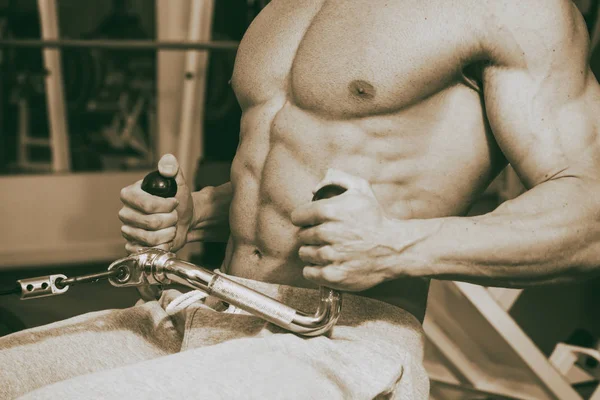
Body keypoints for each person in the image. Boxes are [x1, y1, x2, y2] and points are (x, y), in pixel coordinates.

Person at [3, 0, 600, 398]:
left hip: (335, 340)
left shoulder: (513, 10)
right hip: (201, 310)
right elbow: (299, 173)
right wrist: (196, 215)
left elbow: (589, 211)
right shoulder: (283, 11)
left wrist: (395, 246)